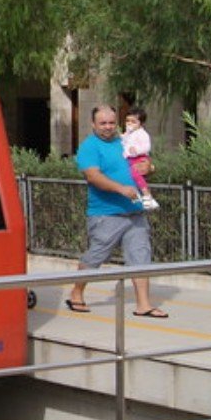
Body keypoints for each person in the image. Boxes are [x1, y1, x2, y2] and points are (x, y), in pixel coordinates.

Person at [64, 106, 166, 318]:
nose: (108, 127)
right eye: (103, 123)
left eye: (112, 122)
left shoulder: (126, 141)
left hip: (135, 212)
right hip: (106, 214)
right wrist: (121, 189)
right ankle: (76, 292)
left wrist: (150, 168)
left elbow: (143, 162)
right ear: (93, 124)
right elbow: (93, 176)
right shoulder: (89, 147)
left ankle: (144, 304)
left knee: (141, 256)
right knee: (96, 256)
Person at [122, 107, 159, 211]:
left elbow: (147, 147)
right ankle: (136, 196)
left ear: (141, 123)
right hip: (129, 158)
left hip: (139, 158)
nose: (129, 123)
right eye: (127, 121)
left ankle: (147, 195)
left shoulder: (142, 134)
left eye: (133, 121)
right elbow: (123, 143)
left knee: (135, 173)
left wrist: (137, 150)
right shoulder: (128, 134)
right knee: (129, 175)